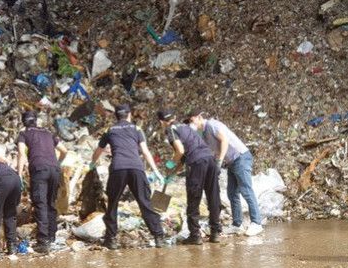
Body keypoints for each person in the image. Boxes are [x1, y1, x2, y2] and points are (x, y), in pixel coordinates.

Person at [91, 104, 166, 250]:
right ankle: (158, 236)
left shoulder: (110, 130)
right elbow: (145, 151)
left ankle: (111, 239)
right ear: (129, 115)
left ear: (116, 116)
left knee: (113, 204)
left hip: (118, 168)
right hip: (136, 168)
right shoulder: (137, 129)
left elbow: (98, 151)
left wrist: (92, 164)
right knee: (145, 203)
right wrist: (156, 171)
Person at [188, 110, 263, 237]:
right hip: (231, 162)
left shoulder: (212, 125)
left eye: (192, 120)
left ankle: (257, 223)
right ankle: (237, 224)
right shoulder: (204, 133)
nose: (191, 123)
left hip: (241, 157)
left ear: (199, 117)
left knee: (246, 190)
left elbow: (224, 141)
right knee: (232, 193)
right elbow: (210, 151)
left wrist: (219, 161)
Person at [157, 109, 221, 244]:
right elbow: (184, 157)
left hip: (197, 163)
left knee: (194, 197)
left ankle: (195, 235)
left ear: (162, 122)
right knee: (213, 195)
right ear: (174, 116)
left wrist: (170, 163)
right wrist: (173, 174)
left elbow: (180, 151)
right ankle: (215, 233)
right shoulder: (187, 127)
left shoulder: (171, 129)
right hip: (210, 159)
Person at [17, 110, 68, 253]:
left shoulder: (24, 133)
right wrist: (58, 164)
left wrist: (19, 175)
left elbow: (21, 154)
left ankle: (43, 241)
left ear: (24, 122)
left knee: (40, 204)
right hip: (54, 170)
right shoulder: (48, 133)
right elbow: (64, 151)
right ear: (36, 120)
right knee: (51, 203)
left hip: (39, 169)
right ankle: (51, 237)